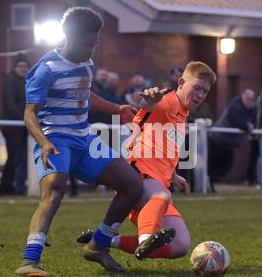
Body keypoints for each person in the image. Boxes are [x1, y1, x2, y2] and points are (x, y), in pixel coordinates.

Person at [15, 7, 148, 277]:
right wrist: (42, 142)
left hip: (84, 140)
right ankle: (30, 260)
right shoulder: (46, 69)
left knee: (133, 184)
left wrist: (116, 108)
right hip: (56, 138)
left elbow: (85, 95)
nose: (91, 50)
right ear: (68, 36)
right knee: (55, 187)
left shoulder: (87, 64)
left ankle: (98, 244)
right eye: (87, 43)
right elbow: (29, 113)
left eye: (95, 43)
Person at [77, 61, 217, 261]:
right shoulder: (168, 100)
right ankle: (146, 239)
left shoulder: (182, 112)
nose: (200, 95)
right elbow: (147, 106)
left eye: (205, 91)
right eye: (196, 88)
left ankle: (104, 240)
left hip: (157, 185)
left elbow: (163, 147)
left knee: (180, 245)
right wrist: (149, 101)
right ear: (181, 82)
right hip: (139, 175)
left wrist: (174, 175)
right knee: (161, 195)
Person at [208, 90, 256, 191]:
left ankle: (210, 182)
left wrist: (250, 126)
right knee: (215, 164)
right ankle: (209, 183)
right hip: (218, 139)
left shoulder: (251, 109)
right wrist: (247, 126)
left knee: (226, 166)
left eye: (251, 99)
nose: (249, 101)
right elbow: (237, 120)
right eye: (248, 98)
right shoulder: (235, 106)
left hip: (229, 143)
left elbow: (253, 120)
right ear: (242, 96)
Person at [0, 55, 30, 196]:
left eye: (25, 66)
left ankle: (9, 187)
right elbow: (10, 105)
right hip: (13, 127)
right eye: (20, 66)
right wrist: (27, 118)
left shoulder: (26, 82)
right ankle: (6, 187)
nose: (23, 69)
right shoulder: (10, 82)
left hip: (21, 126)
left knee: (17, 158)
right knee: (14, 157)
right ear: (15, 68)